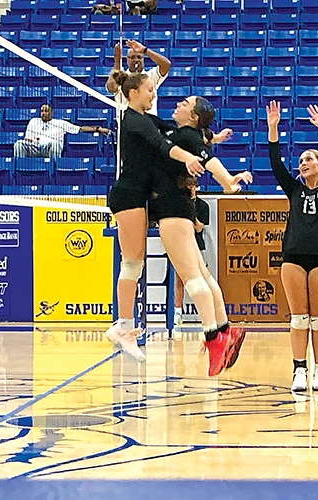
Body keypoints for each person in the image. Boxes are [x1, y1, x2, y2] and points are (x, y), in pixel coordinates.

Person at [105, 72, 246, 377]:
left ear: (193, 116)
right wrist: (201, 154)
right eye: (149, 89)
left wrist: (223, 174)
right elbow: (166, 142)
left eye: (183, 103)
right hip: (133, 197)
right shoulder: (136, 121)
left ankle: (216, 335)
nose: (156, 95)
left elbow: (180, 140)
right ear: (133, 93)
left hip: (164, 205)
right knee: (135, 264)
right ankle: (126, 326)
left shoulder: (165, 127)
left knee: (187, 274)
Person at [267, 100, 318, 392]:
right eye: (300, 160)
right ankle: (299, 369)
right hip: (293, 258)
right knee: (299, 318)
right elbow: (276, 164)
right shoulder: (294, 189)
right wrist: (273, 128)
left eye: (308, 160)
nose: (302, 164)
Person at [173, 178, 209, 328]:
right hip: (180, 245)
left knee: (201, 279)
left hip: (197, 245)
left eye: (193, 186)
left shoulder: (202, 206)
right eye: (188, 186)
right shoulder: (178, 203)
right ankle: (177, 313)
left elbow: (198, 227)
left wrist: (190, 211)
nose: (191, 189)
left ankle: (205, 314)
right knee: (179, 279)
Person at [13, 104, 110, 158]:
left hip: (50, 149)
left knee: (55, 144)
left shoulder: (60, 123)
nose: (43, 113)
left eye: (46, 111)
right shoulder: (34, 121)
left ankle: (53, 167)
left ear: (51, 112)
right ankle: (19, 166)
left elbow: (79, 129)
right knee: (19, 144)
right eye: (42, 111)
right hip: (36, 148)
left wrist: (98, 129)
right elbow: (27, 140)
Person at [107, 39, 171, 116]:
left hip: (149, 125)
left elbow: (166, 65)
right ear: (127, 59)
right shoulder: (121, 76)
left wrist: (145, 50)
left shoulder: (150, 76)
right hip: (127, 125)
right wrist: (117, 62)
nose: (136, 60)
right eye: (132, 57)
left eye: (139, 57)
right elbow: (111, 88)